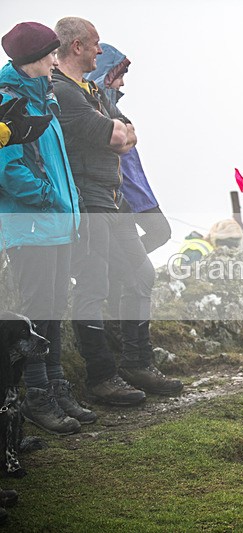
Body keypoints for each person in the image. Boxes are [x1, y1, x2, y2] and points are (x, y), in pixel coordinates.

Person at [52, 17, 182, 404]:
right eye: (94, 43)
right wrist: (117, 132)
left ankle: (137, 362)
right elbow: (116, 134)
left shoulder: (91, 89)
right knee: (92, 284)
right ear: (77, 46)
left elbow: (128, 130)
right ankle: (100, 376)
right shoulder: (63, 92)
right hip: (87, 198)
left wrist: (118, 131)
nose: (98, 50)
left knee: (141, 273)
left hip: (113, 196)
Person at [0, 21, 96, 434]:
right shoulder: (9, 103)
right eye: (51, 55)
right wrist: (50, 198)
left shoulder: (44, 99)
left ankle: (57, 387)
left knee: (54, 309)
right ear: (34, 60)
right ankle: (38, 396)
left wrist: (66, 204)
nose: (57, 61)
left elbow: (57, 166)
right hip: (31, 229)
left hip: (56, 226)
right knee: (38, 315)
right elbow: (9, 170)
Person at [87, 43, 171, 254]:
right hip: (121, 190)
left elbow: (129, 138)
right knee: (160, 231)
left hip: (134, 187)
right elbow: (122, 143)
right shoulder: (92, 108)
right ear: (105, 75)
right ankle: (124, 266)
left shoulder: (109, 107)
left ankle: (123, 268)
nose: (122, 83)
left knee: (158, 233)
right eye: (119, 75)